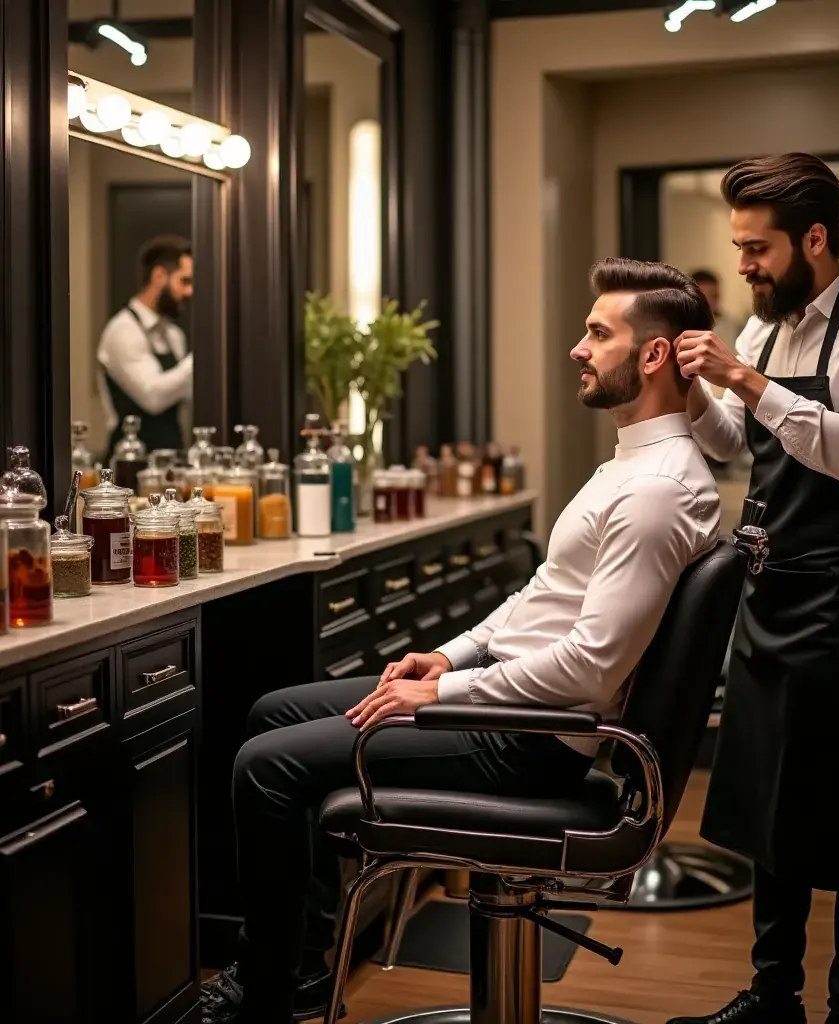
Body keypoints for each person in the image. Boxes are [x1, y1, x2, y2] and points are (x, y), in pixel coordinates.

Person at [200, 258, 722, 1024]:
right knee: (273, 712)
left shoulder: (656, 492)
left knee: (264, 767)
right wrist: (455, 653)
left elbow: (588, 669)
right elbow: (542, 600)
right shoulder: (633, 465)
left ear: (652, 356)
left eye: (597, 333)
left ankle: (269, 995)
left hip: (533, 739)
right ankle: (304, 967)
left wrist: (438, 695)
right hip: (515, 703)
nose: (578, 349)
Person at [667, 153, 839, 1024]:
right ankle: (772, 995)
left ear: (814, 239)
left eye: (757, 247)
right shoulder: (766, 331)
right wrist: (693, 388)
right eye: (738, 246)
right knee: (765, 812)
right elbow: (732, 441)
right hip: (771, 593)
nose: (742, 264)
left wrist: (743, 379)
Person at [96, 235, 194, 456]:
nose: (190, 292)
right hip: (129, 460)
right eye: (184, 281)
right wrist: (203, 358)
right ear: (159, 276)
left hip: (171, 457)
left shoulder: (174, 334)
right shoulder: (123, 331)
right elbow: (153, 397)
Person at [690, 268, 743, 350]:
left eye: (714, 296)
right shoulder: (681, 326)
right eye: (704, 297)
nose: (709, 302)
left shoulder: (733, 325)